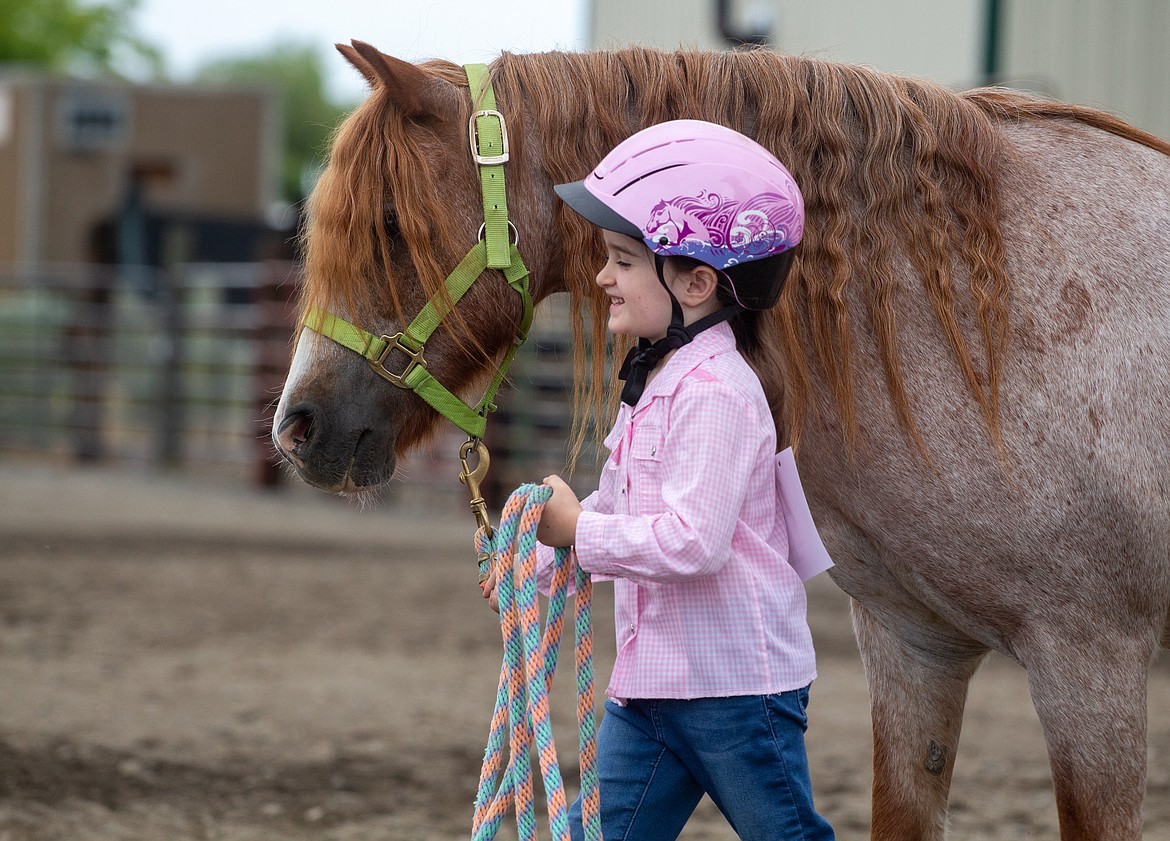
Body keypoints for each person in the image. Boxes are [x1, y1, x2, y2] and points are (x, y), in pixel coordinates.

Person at [484, 119, 835, 841]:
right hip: (650, 689)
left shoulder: (716, 393)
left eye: (622, 261)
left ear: (696, 282)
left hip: (737, 694)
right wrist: (536, 565)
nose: (602, 277)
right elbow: (618, 506)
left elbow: (691, 542)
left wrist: (580, 529)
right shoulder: (657, 383)